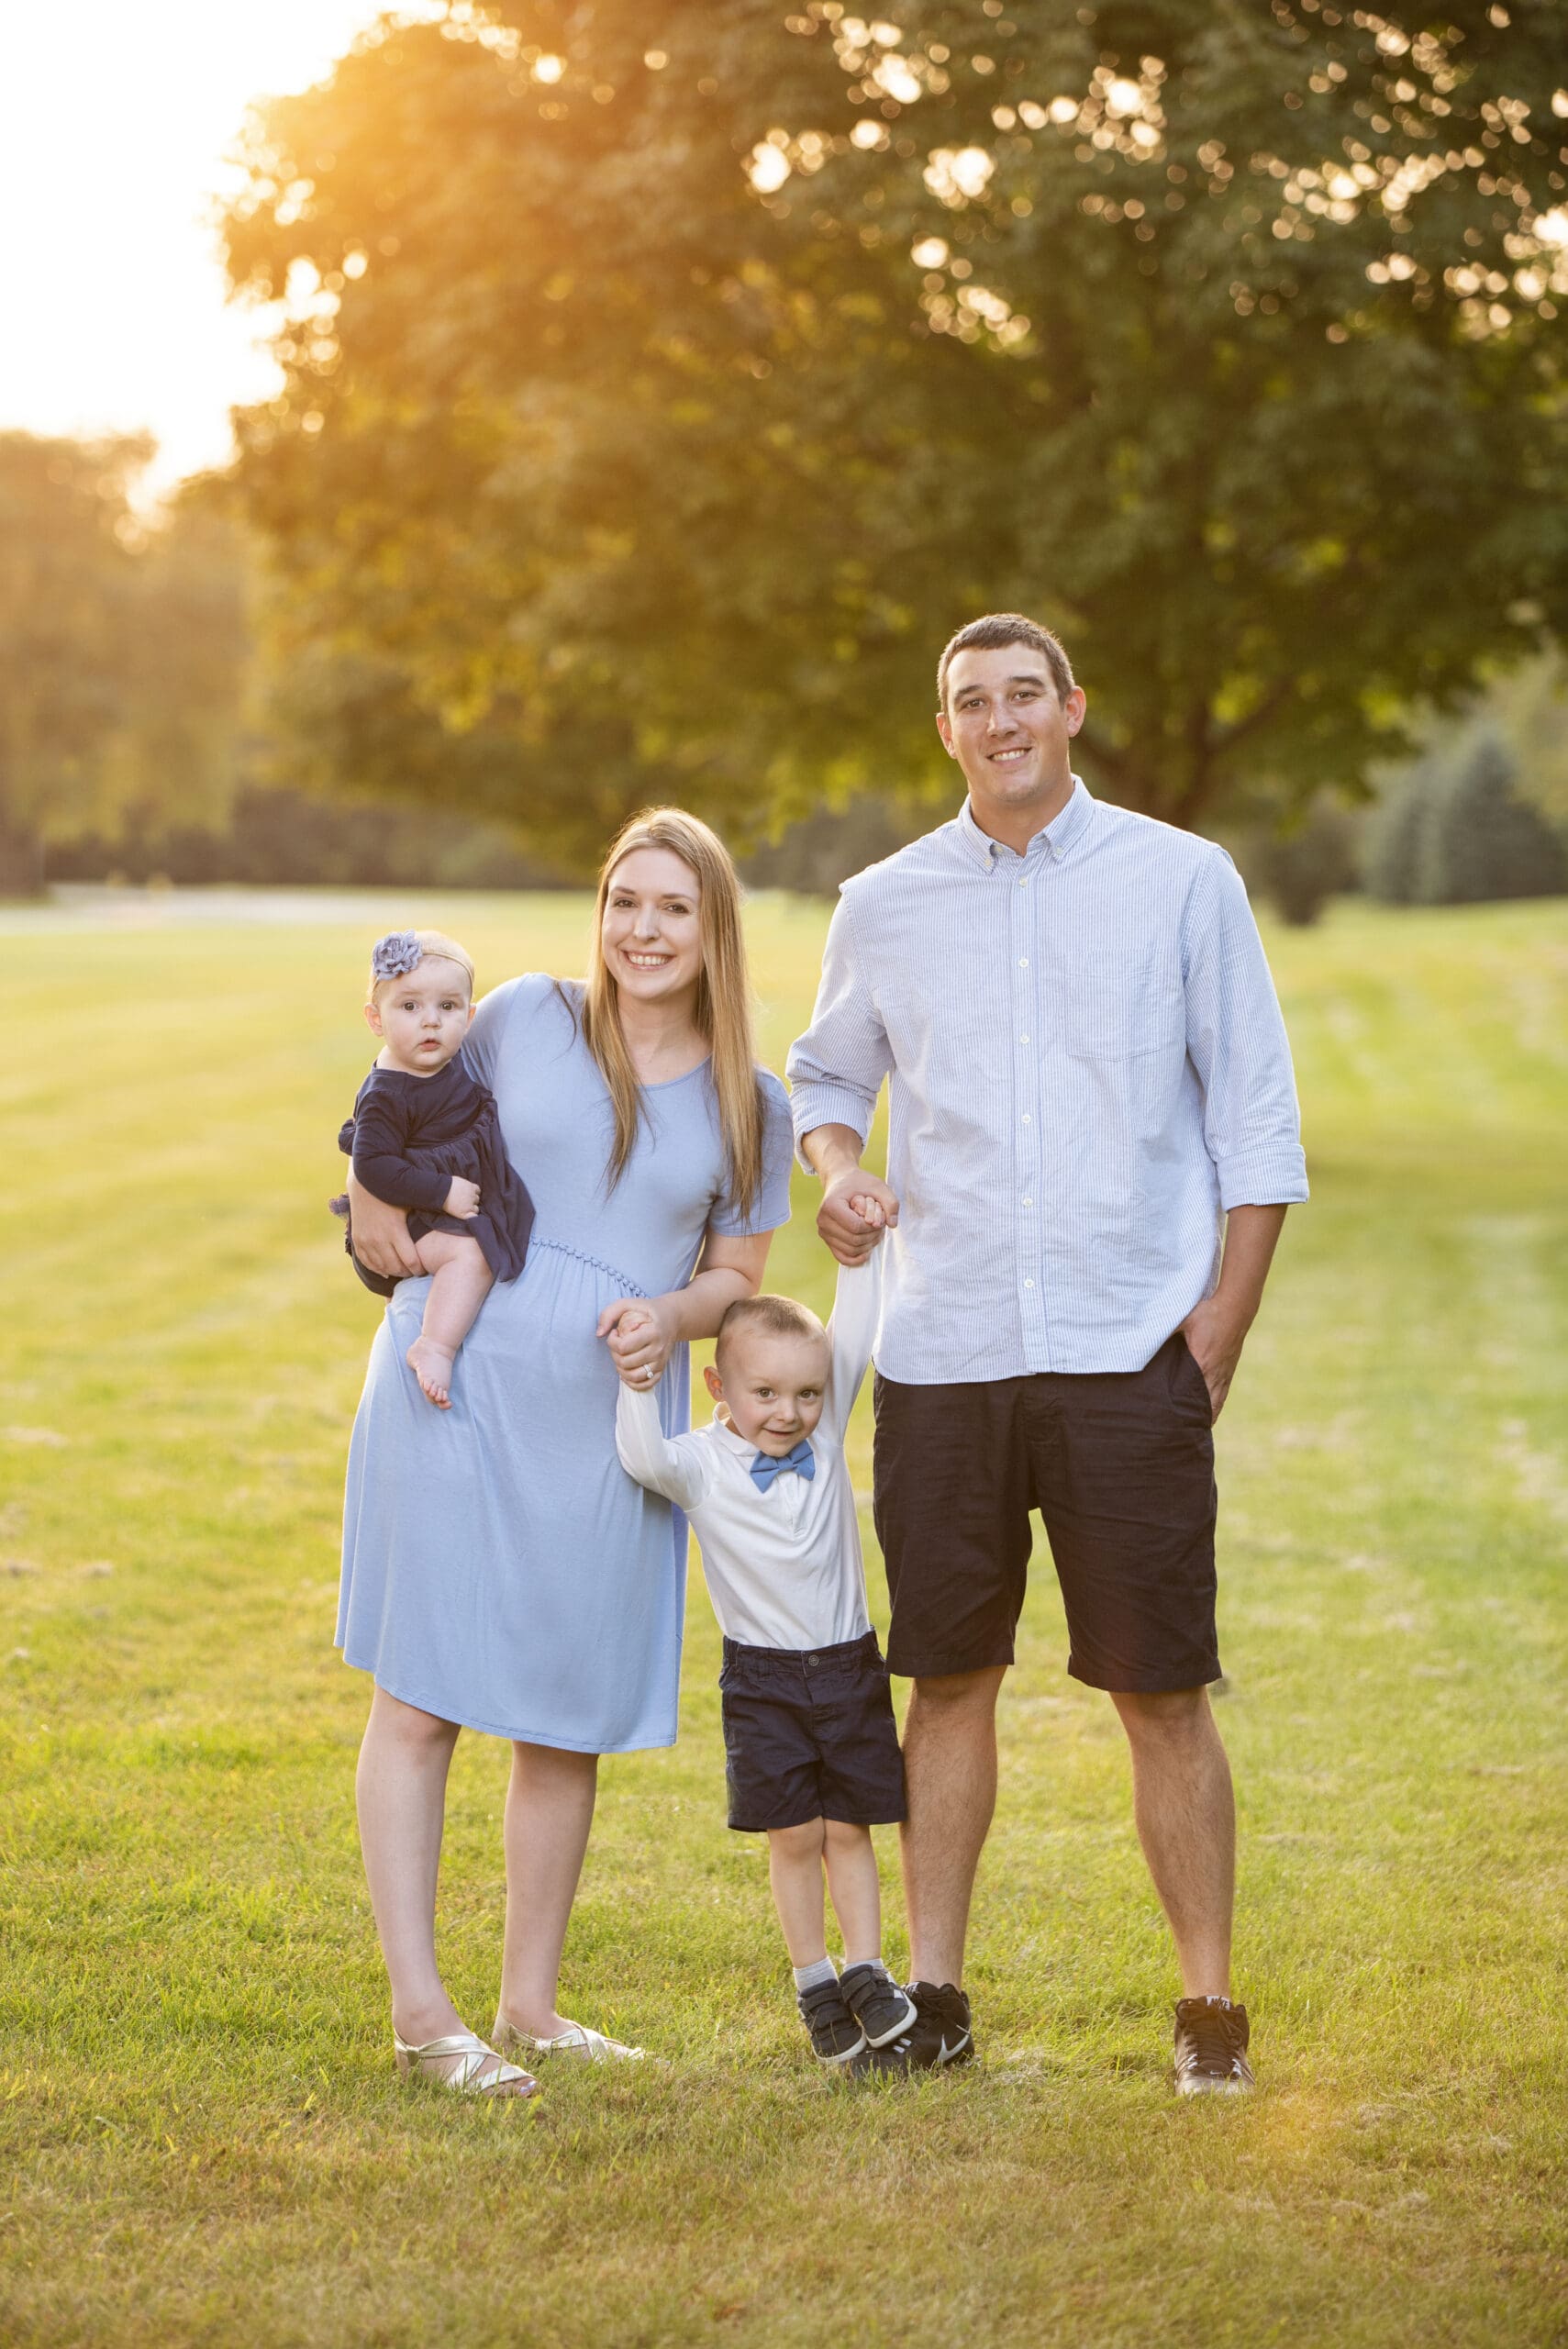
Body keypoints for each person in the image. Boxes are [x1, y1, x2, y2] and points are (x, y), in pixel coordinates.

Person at [786, 612, 1309, 2094]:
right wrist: (836, 1169)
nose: (1001, 719)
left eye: (1026, 694)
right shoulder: (882, 903)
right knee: (943, 1680)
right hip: (943, 1349)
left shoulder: (1178, 881)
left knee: (1159, 1689)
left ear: (1071, 710)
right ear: (943, 729)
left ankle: (1204, 2008)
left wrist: (1218, 1319)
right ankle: (935, 1997)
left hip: (1120, 1344)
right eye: (972, 701)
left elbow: (1254, 1123)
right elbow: (824, 1076)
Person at [339, 809, 794, 2097]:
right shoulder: (522, 1016)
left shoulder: (747, 1100)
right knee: (420, 1697)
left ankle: (530, 2006)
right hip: (454, 1376)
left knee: (564, 1714)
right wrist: (372, 1197)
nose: (641, 932)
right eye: (623, 902)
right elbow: (397, 1099)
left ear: (713, 932)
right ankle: (424, 2014)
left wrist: (673, 1312)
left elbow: (738, 1276)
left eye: (672, 910)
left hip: (607, 1411)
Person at [615, 1235, 916, 2074]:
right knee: (794, 1836)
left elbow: (855, 1331)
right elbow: (642, 1457)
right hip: (764, 1683)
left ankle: (867, 1968)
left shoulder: (822, 1442)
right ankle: (815, 1982)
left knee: (849, 1829)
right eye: (766, 1394)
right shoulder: (704, 1465)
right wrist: (637, 1383)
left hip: (849, 1666)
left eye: (807, 1394)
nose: (788, 1413)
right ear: (720, 1389)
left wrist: (862, 1253)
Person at [332, 927, 536, 1408]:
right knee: (472, 1257)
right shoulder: (389, 1091)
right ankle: (435, 1346)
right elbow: (375, 1167)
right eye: (409, 1007)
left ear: (469, 1017)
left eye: (447, 1008)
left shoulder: (443, 1060)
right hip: (415, 1215)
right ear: (375, 1019)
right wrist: (443, 1191)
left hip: (435, 1202)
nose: (430, 1023)